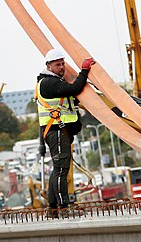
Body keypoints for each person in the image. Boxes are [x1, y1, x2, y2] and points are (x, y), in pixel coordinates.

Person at [35, 49, 94, 213]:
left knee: (57, 169)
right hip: (57, 131)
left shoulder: (52, 82)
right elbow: (75, 88)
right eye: (57, 64)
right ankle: (63, 207)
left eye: (63, 64)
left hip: (59, 131)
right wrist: (85, 70)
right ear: (48, 66)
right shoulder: (49, 83)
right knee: (61, 170)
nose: (62, 67)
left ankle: (53, 207)